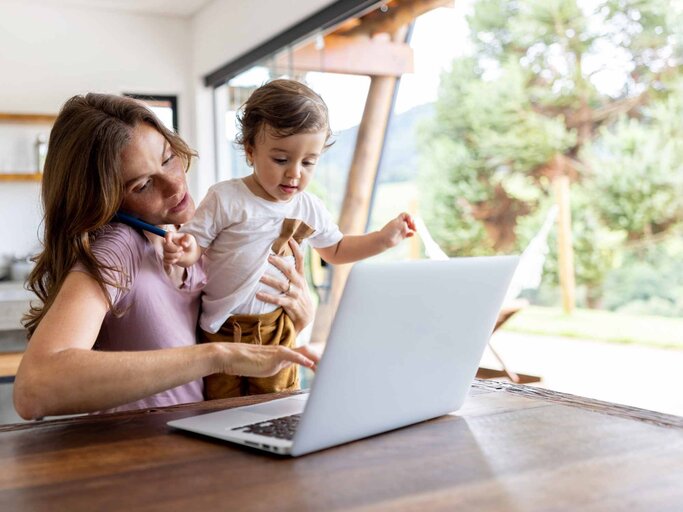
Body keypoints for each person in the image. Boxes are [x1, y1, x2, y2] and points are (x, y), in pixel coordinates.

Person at [13, 93, 319, 420]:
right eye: (144, 185)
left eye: (169, 157)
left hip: (203, 447)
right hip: (144, 458)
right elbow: (35, 388)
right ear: (105, 201)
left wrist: (297, 318)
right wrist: (217, 355)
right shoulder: (118, 249)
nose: (175, 185)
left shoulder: (189, 239)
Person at [163, 79, 416, 399]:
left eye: (308, 162)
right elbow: (196, 242)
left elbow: (336, 250)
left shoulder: (308, 206)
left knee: (278, 400)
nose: (295, 173)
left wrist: (383, 239)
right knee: (218, 401)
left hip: (276, 328)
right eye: (281, 160)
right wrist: (184, 251)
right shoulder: (226, 197)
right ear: (250, 151)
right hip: (221, 329)